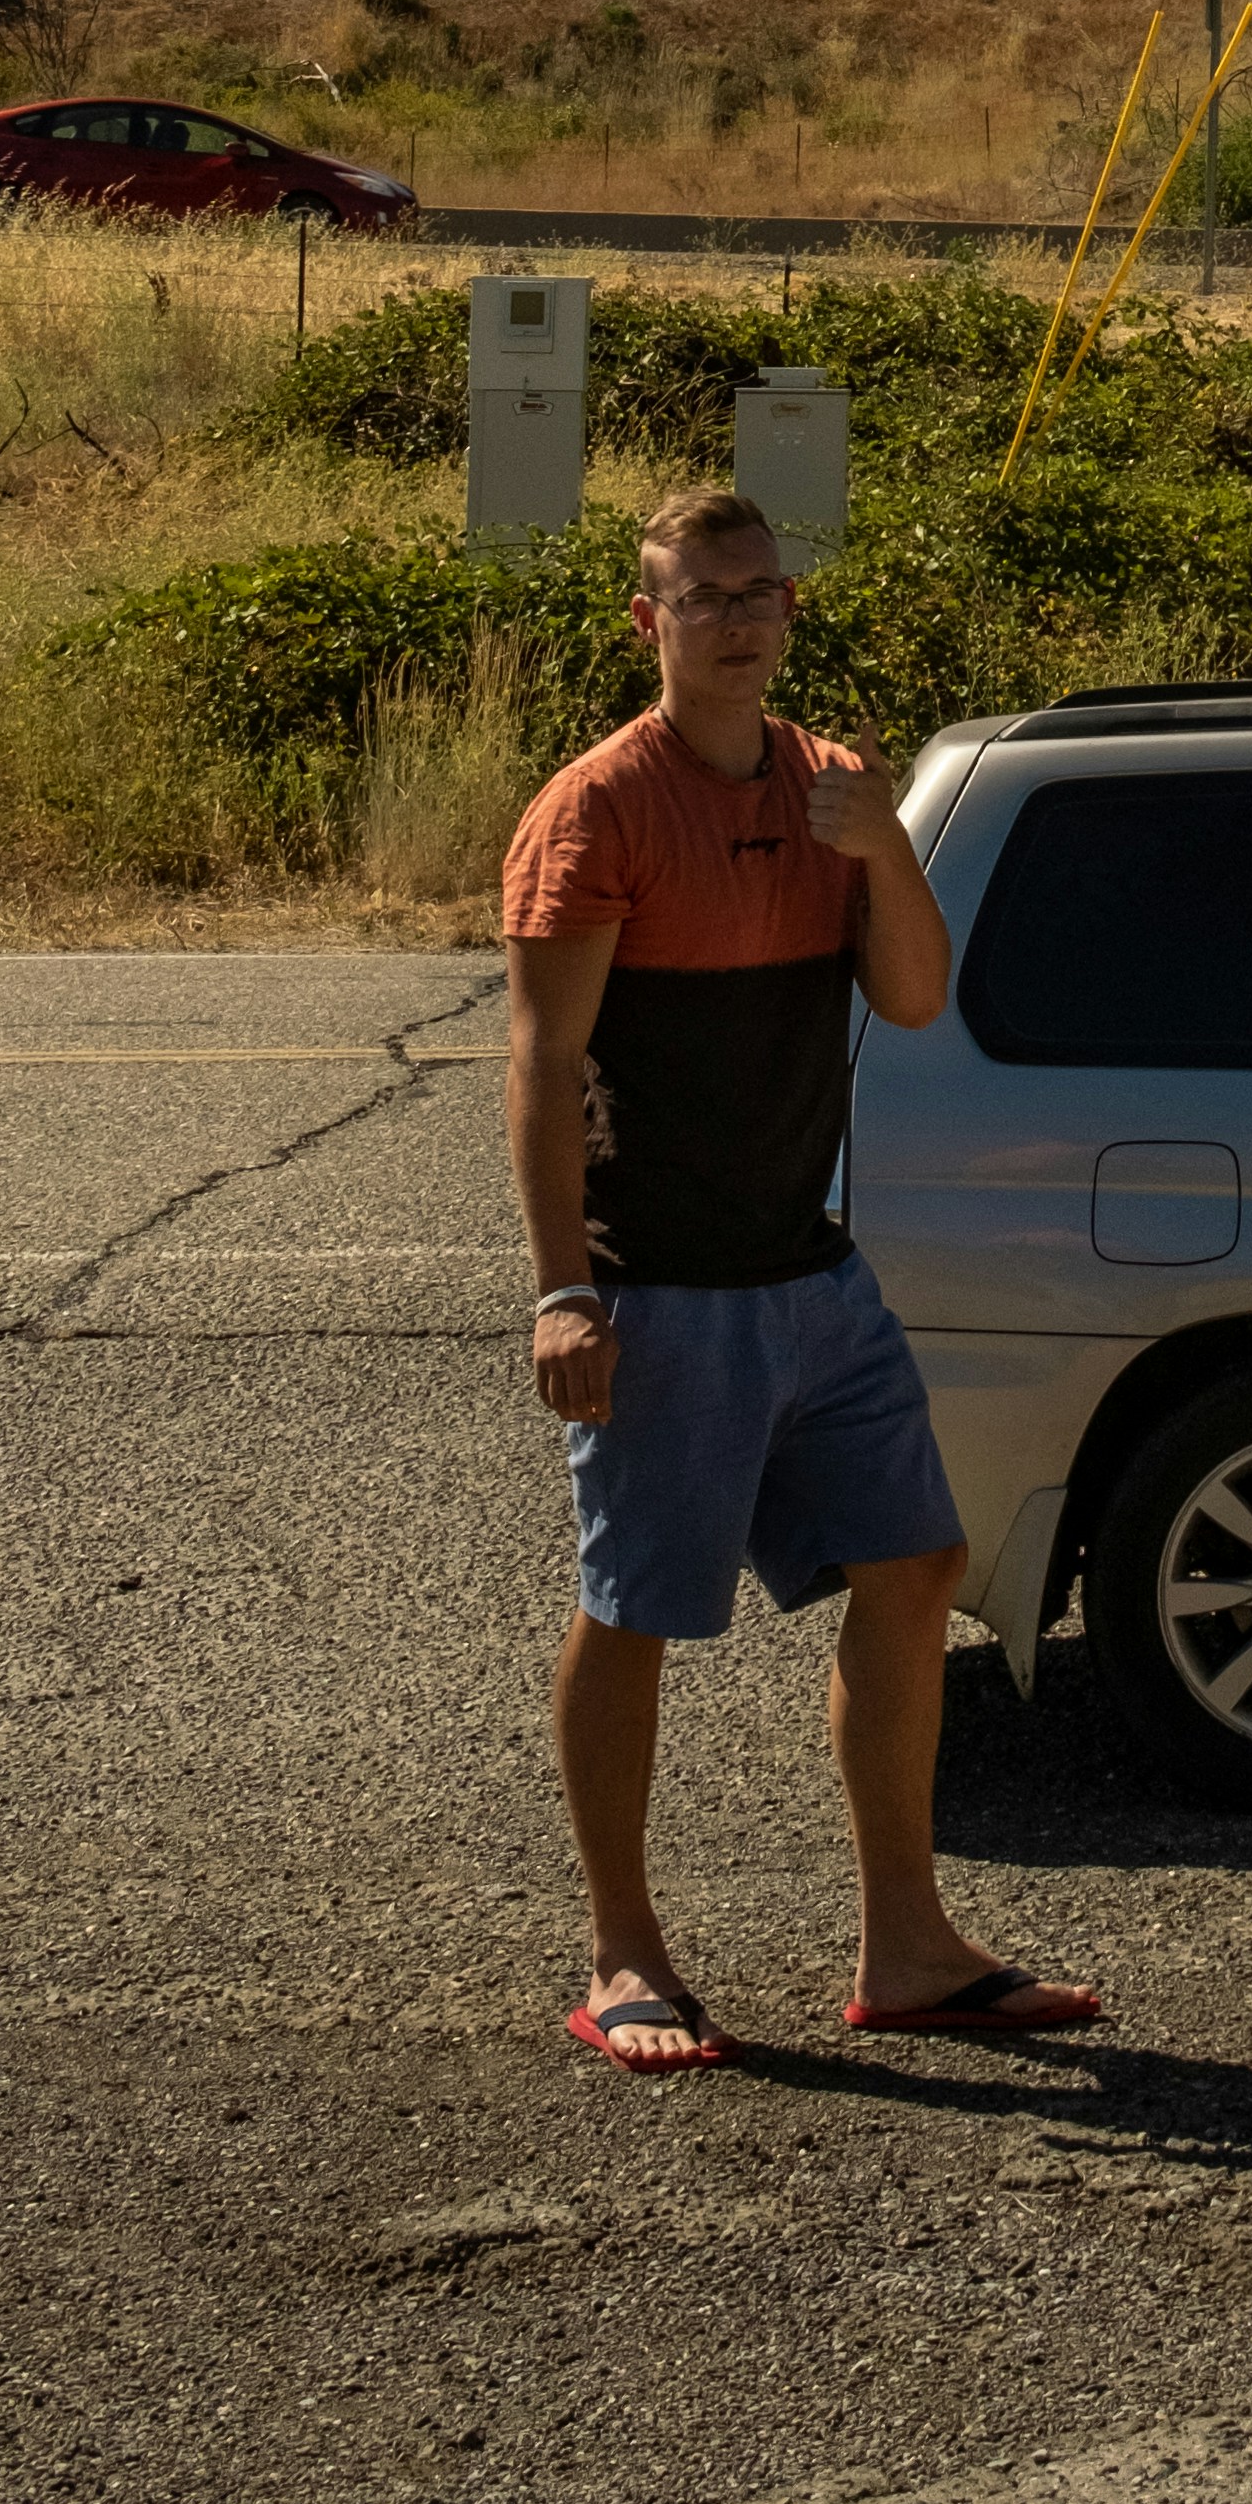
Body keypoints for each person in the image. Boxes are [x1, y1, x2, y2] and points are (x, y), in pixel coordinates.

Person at [501, 481, 1099, 2074]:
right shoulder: (598, 809)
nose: (743, 616)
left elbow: (911, 998)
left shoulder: (834, 787)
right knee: (636, 1608)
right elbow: (547, 1058)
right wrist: (565, 1288)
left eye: (762, 589)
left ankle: (905, 1943)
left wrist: (885, 843)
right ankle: (624, 1950)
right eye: (706, 595)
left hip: (813, 1277)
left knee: (916, 1565)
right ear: (652, 622)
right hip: (664, 1287)